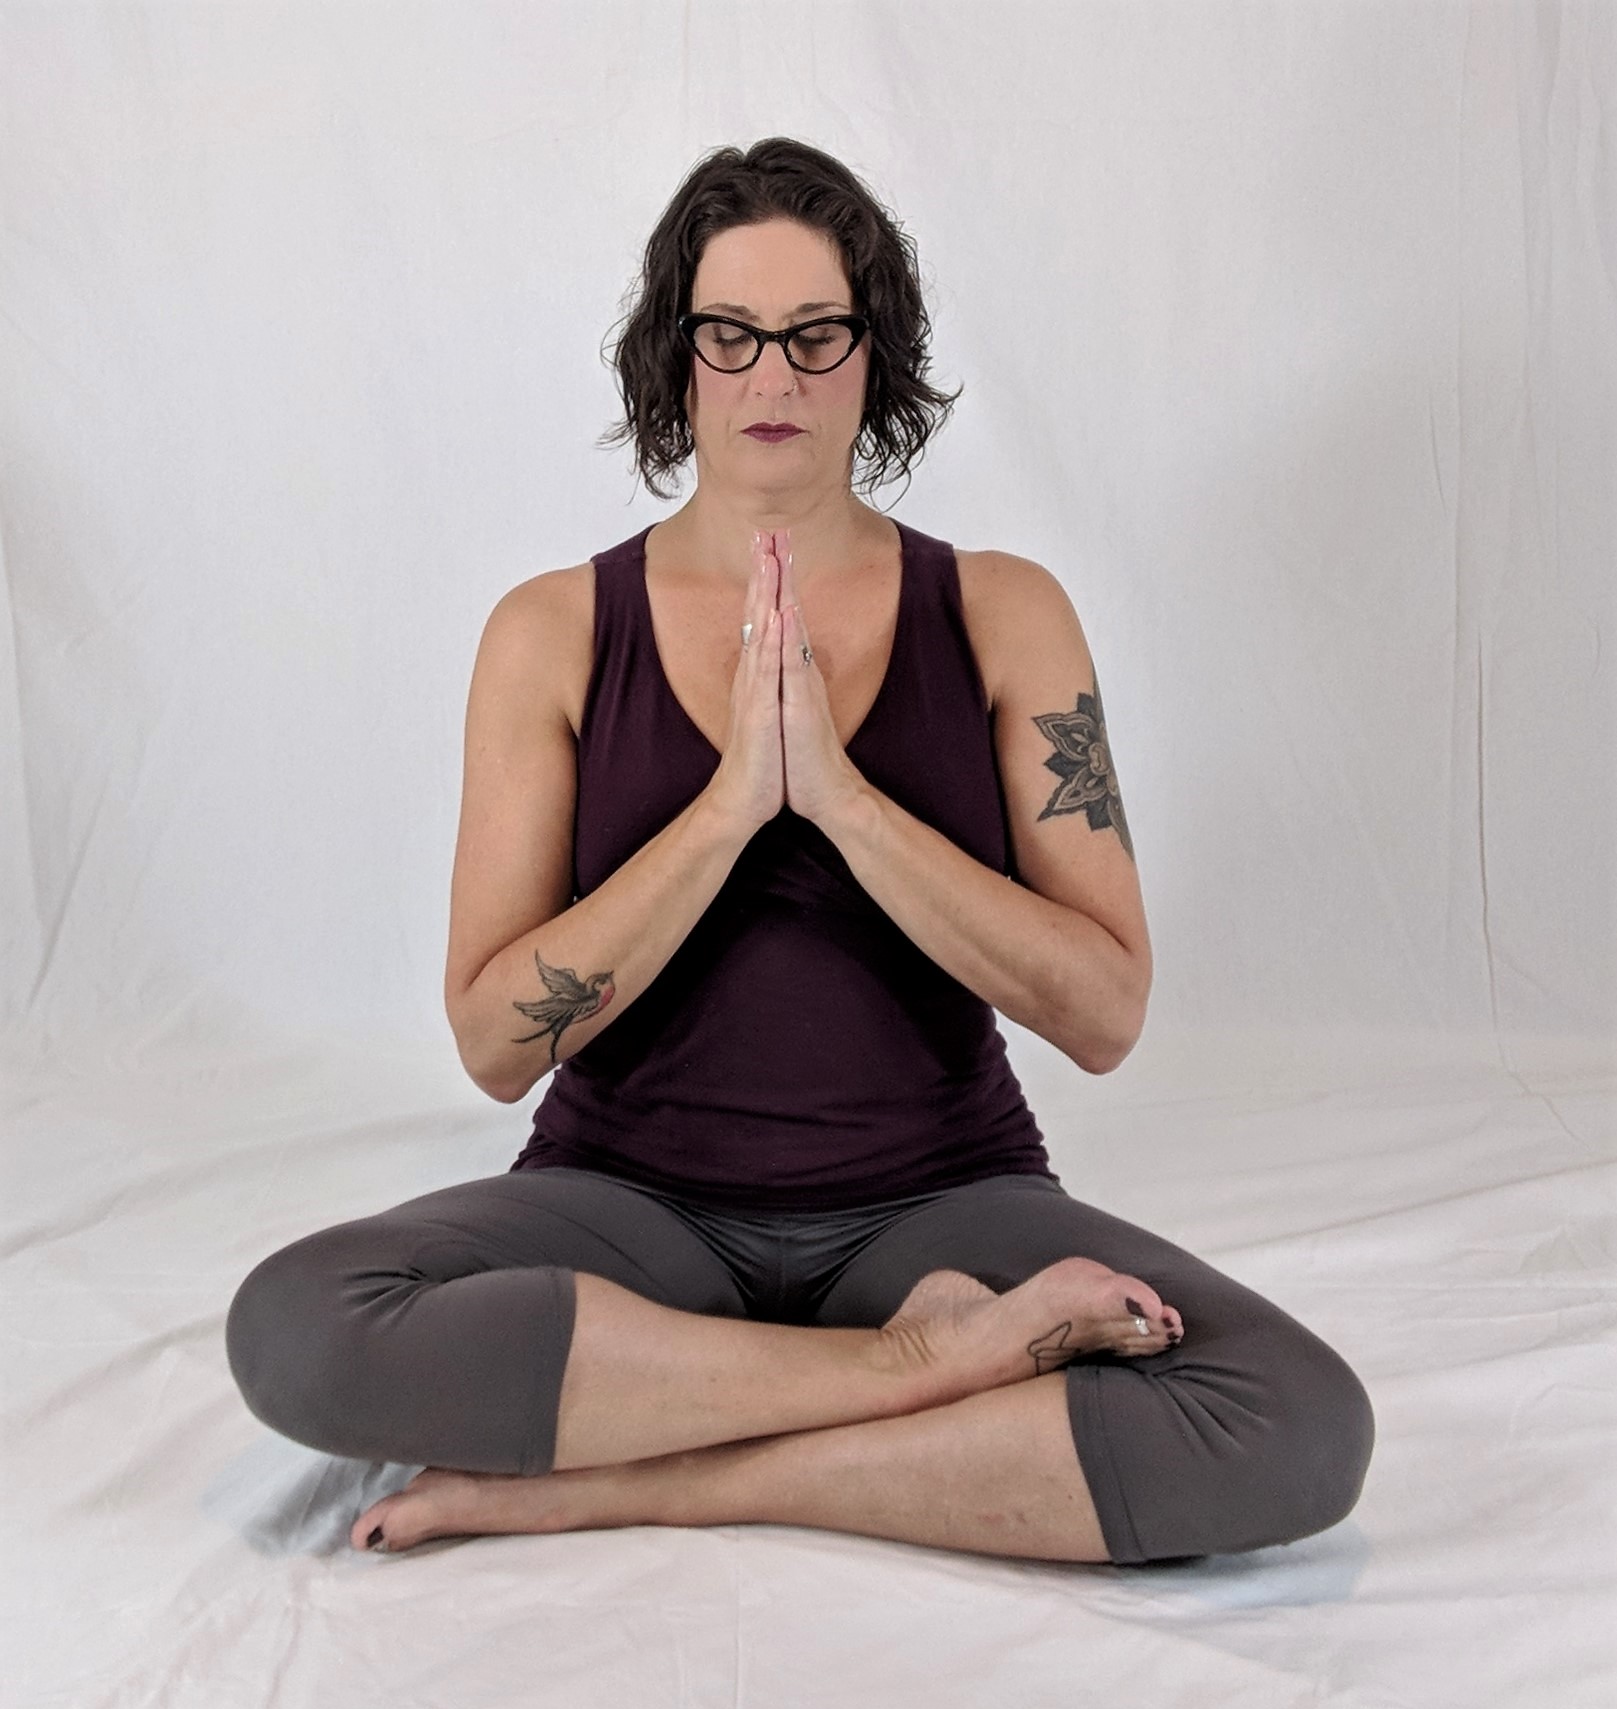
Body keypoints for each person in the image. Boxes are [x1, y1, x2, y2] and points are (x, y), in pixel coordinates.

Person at [225, 137, 1373, 1564]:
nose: (773, 378)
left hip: (942, 1206)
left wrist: (838, 797)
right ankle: (916, 1377)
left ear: (872, 358)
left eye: (815, 336)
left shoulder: (1005, 615)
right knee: (297, 1327)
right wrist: (726, 809)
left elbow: (1104, 1011)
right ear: (677, 358)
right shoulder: (552, 633)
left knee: (1290, 1422)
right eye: (731, 336)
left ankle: (641, 1470)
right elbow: (492, 1044)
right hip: (624, 1209)